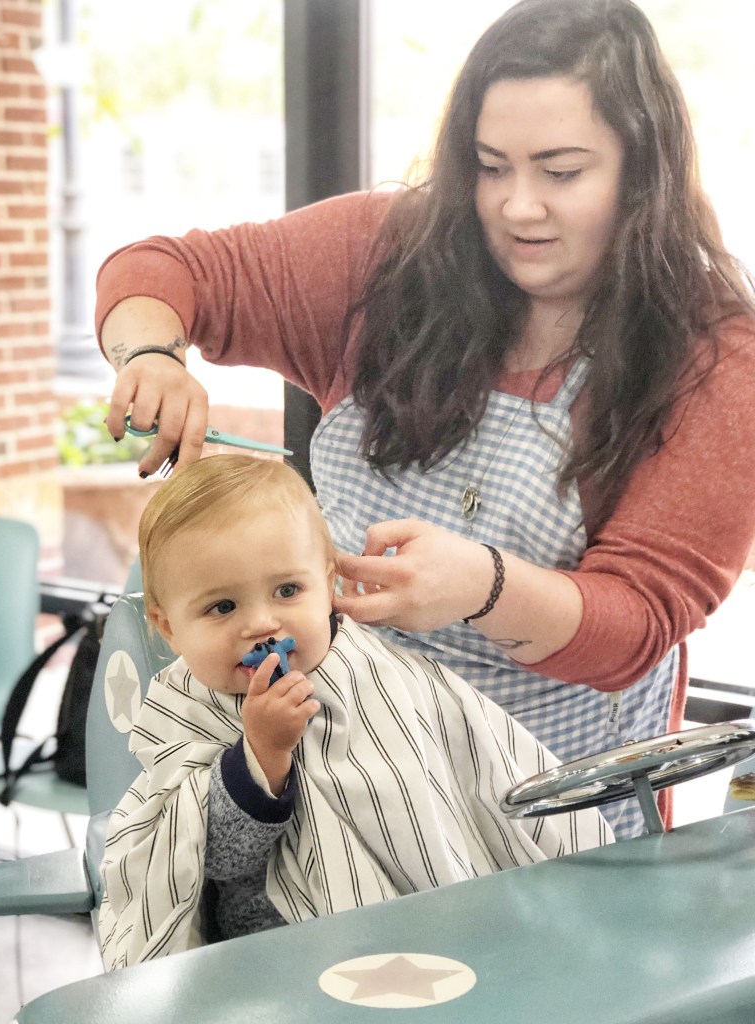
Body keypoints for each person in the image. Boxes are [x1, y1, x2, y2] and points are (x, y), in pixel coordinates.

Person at [95, 0, 755, 840]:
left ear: (642, 168)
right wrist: (151, 354)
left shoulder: (714, 355)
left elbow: (634, 627)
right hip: (341, 796)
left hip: (546, 830)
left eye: (561, 173)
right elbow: (165, 270)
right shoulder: (389, 254)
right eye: (490, 167)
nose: (518, 207)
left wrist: (484, 589)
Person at [98, 453, 610, 969]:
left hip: (428, 928)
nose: (262, 624)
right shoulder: (184, 708)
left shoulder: (384, 675)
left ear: (328, 585)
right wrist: (260, 756)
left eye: (287, 590)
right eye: (222, 607)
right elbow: (209, 860)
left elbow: (461, 792)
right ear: (168, 626)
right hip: (272, 959)